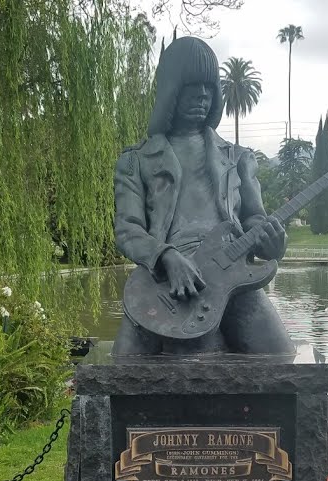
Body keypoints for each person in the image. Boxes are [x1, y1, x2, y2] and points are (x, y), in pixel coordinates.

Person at [112, 36, 294, 356]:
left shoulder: (239, 158)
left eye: (209, 87)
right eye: (191, 86)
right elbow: (128, 229)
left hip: (232, 274)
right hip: (163, 284)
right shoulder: (135, 161)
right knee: (129, 364)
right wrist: (166, 256)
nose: (202, 95)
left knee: (280, 356)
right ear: (171, 90)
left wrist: (271, 242)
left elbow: (254, 217)